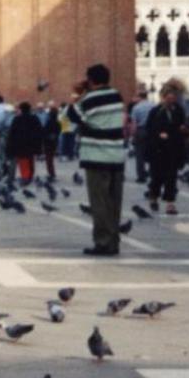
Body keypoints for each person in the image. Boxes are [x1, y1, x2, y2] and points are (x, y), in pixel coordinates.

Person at [64, 64, 125, 256]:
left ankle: (102, 243)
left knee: (99, 203)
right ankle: (113, 242)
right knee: (114, 203)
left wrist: (76, 94)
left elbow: (71, 116)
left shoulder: (90, 99)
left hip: (97, 156)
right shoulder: (116, 95)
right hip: (116, 155)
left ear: (90, 79)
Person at [146, 81, 189, 216]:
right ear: (163, 97)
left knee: (172, 177)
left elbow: (184, 127)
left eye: (173, 98)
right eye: (169, 98)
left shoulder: (179, 110)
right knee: (157, 176)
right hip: (158, 149)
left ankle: (170, 203)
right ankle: (153, 196)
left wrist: (184, 129)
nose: (171, 101)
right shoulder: (156, 112)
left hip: (173, 148)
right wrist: (159, 134)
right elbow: (150, 129)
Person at [6, 101, 44, 183]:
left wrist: (10, 144)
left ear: (21, 109)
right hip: (32, 143)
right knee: (30, 160)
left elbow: (12, 132)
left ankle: (25, 177)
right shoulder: (34, 118)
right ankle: (30, 175)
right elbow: (40, 131)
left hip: (20, 143)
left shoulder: (17, 119)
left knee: (23, 161)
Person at [130, 89, 153, 183]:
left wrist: (133, 135)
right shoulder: (153, 105)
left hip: (141, 131)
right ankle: (153, 173)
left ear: (139, 97)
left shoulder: (136, 108)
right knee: (153, 154)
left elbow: (134, 123)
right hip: (152, 131)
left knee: (140, 155)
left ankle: (141, 176)